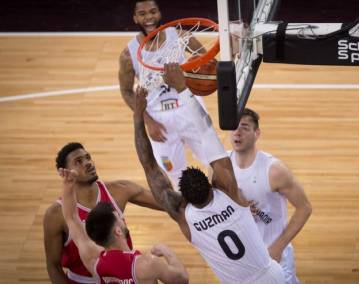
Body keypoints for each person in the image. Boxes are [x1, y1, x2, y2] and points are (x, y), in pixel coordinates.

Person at [132, 71, 286, 284]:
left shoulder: (184, 215)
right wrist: (183, 89)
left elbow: (149, 166)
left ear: (183, 198)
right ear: (211, 183)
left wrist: (138, 117)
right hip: (271, 275)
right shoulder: (229, 192)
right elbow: (206, 131)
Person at [119, 0, 209, 188]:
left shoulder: (180, 36)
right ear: (135, 18)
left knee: (213, 159)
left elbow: (207, 61)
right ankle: (189, 211)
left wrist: (198, 77)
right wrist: (149, 122)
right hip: (159, 120)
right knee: (175, 174)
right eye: (142, 14)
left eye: (152, 12)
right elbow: (127, 92)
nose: (149, 17)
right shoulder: (129, 54)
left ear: (159, 13)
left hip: (189, 107)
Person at [43, 142, 164, 283]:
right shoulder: (55, 215)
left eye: (88, 157)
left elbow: (166, 203)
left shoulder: (119, 190)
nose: (87, 163)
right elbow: (53, 265)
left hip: (123, 275)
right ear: (65, 172)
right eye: (78, 162)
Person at [58, 167, 189, 284]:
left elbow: (71, 218)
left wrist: (67, 185)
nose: (121, 219)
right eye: (118, 218)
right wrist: (166, 251)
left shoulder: (93, 260)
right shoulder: (148, 264)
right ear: (118, 231)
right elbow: (182, 279)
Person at [229, 108, 312, 284]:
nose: (237, 132)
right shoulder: (221, 168)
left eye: (244, 127)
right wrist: (237, 206)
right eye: (234, 127)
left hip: (273, 256)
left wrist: (278, 247)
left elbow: (304, 208)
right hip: (242, 259)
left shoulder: (274, 170)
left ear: (256, 133)